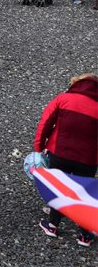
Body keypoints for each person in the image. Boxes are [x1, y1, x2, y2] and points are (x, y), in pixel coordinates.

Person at [34, 73, 98, 245]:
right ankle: (85, 236)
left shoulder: (63, 99)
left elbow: (45, 123)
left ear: (77, 84)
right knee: (83, 193)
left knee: (58, 188)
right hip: (88, 159)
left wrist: (39, 147)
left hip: (59, 153)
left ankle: (52, 226)